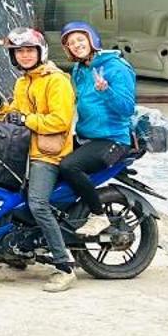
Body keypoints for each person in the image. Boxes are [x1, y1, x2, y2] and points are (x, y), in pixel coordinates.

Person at [0, 28, 79, 293]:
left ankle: (64, 266)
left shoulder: (57, 81)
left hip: (48, 153)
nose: (25, 55)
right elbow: (17, 115)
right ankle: (19, 250)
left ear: (40, 52)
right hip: (23, 152)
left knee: (38, 204)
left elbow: (60, 120)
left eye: (29, 50)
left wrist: (27, 120)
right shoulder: (23, 82)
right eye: (19, 51)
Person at [56, 22, 136, 223]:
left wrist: (106, 91)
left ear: (92, 40)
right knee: (47, 157)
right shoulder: (79, 69)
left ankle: (96, 215)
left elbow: (127, 108)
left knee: (69, 167)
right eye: (71, 43)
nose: (76, 45)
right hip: (86, 136)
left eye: (80, 39)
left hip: (113, 139)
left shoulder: (116, 67)